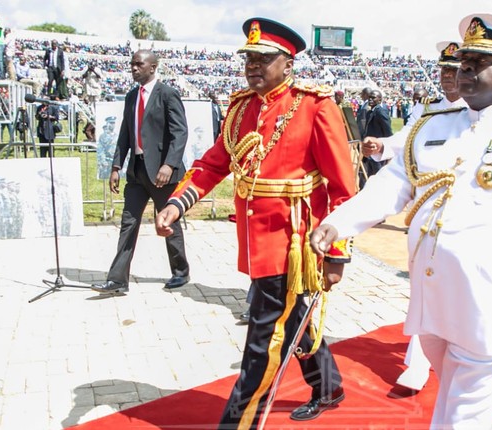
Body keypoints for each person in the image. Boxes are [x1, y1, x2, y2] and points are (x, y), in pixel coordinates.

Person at [309, 13, 492, 429]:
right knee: (451, 410)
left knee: (467, 420)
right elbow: (393, 183)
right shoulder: (432, 126)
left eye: (481, 62)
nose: (466, 69)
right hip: (435, 303)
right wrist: (342, 222)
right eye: (465, 61)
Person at [154, 17, 356, 427]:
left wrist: (337, 254)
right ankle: (329, 386)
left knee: (263, 340)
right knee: (294, 318)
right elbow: (214, 163)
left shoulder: (315, 105)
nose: (253, 66)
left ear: (288, 63)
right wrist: (178, 203)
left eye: (264, 59)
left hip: (295, 243)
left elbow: (343, 188)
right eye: (249, 58)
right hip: (255, 241)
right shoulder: (242, 107)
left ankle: (238, 422)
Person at [91, 49, 190, 295]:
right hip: (136, 172)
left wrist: (169, 164)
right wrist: (116, 166)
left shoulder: (168, 94)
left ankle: (180, 272)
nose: (134, 68)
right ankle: (117, 280)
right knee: (128, 222)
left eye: (139, 64)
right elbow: (126, 133)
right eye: (132, 64)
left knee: (169, 221)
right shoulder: (131, 97)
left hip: (162, 173)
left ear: (153, 66)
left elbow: (180, 132)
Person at [363, 41, 465, 165]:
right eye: (445, 68)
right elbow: (407, 136)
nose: (448, 74)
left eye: (454, 69)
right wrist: (381, 145)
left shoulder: (475, 108)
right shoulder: (426, 107)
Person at [358, 89, 392, 188]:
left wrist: (387, 148)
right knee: (367, 173)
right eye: (370, 97)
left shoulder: (380, 112)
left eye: (373, 98)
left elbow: (388, 131)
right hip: (369, 148)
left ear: (380, 100)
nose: (370, 99)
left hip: (377, 148)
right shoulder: (370, 112)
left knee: (378, 174)